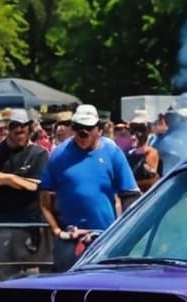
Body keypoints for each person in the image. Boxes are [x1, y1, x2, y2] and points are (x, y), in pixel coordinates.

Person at [39, 104, 139, 270]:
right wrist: (57, 231)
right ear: (72, 128)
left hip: (105, 240)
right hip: (69, 241)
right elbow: (44, 200)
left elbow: (129, 195)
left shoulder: (112, 152)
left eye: (88, 128)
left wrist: (125, 235)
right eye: (78, 127)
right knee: (67, 290)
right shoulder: (59, 155)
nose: (83, 133)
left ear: (99, 129)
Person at [0, 111, 49, 281]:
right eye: (15, 127)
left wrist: (6, 178)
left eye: (23, 127)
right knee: (1, 275)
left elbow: (35, 186)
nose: (19, 130)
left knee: (28, 276)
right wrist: (17, 180)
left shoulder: (39, 153)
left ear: (29, 128)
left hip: (28, 224)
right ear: (8, 128)